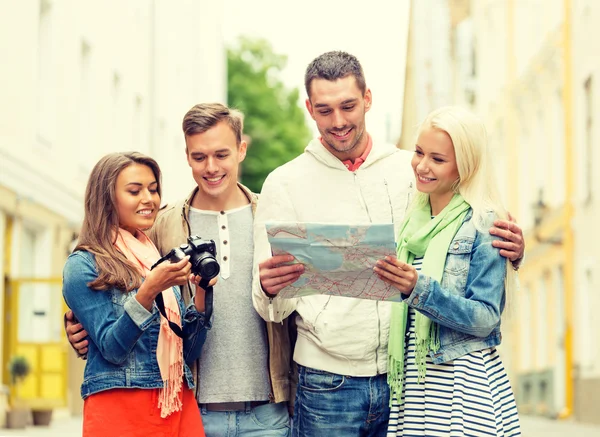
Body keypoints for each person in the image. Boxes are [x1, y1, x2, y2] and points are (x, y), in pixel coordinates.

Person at [252, 51, 524, 437]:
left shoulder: (411, 169)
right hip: (329, 381)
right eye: (325, 110)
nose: (339, 121)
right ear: (310, 109)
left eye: (348, 105)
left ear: (367, 99)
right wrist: (268, 287)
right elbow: (266, 302)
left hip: (411, 381)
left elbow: (467, 221)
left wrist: (514, 247)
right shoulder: (284, 182)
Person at [67, 104, 293, 436]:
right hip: (190, 409)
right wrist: (76, 323)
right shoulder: (158, 226)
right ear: (186, 156)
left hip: (267, 413)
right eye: (199, 157)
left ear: (242, 150)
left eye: (221, 154)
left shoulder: (272, 220)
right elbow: (109, 289)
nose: (211, 167)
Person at [376, 106, 521, 436]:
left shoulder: (487, 223)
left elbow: (486, 318)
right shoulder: (409, 221)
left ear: (464, 167)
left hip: (462, 387)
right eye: (418, 152)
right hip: (415, 386)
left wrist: (419, 289)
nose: (422, 166)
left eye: (437, 159)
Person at [62, 152, 215, 436]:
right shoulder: (82, 265)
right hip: (122, 408)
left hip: (176, 401)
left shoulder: (153, 257)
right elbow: (112, 348)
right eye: (134, 191)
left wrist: (203, 292)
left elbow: (188, 352)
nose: (149, 199)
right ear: (106, 198)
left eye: (153, 189)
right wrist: (149, 290)